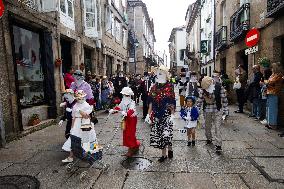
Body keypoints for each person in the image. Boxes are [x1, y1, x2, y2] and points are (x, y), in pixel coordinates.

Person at [145, 65, 176, 162]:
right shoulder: (153, 87)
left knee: (167, 133)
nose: (159, 75)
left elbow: (172, 102)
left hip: (166, 114)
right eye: (158, 73)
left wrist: (172, 115)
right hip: (157, 114)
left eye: (162, 73)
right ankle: (164, 154)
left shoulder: (170, 87)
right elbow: (150, 102)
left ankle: (169, 148)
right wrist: (148, 114)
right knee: (160, 135)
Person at [62, 90, 98, 163]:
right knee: (74, 139)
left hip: (86, 124)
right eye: (78, 98)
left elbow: (86, 116)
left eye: (81, 97)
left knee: (88, 139)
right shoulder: (75, 106)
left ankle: (93, 154)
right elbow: (73, 118)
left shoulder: (87, 105)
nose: (80, 99)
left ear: (84, 97)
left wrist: (80, 111)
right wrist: (72, 128)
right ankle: (70, 157)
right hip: (77, 124)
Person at [196, 76, 229, 154]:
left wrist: (226, 111)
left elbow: (224, 99)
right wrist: (196, 111)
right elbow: (199, 101)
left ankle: (218, 145)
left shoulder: (219, 87)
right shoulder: (202, 90)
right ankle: (209, 138)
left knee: (217, 127)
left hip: (217, 109)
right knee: (207, 126)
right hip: (207, 109)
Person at [109, 87, 140, 157]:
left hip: (132, 120)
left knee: (130, 134)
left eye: (126, 95)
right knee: (126, 133)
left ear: (129, 95)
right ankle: (135, 145)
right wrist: (113, 110)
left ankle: (131, 149)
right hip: (125, 119)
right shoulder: (123, 101)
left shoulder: (132, 102)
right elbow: (119, 107)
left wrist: (127, 113)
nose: (125, 96)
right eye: (124, 95)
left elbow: (132, 109)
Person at [264, 63, 283, 130]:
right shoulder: (273, 74)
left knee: (273, 109)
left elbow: (270, 82)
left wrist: (266, 82)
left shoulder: (279, 75)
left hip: (274, 93)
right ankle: (269, 123)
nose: (271, 69)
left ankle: (273, 124)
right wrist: (267, 82)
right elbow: (268, 81)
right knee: (269, 108)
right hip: (270, 92)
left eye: (272, 68)